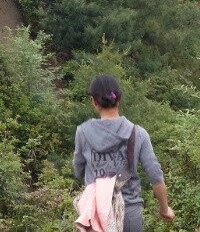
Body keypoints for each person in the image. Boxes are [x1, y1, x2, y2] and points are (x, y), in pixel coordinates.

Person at [73, 74, 174, 231]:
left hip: (96, 216)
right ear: (118, 99)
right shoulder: (138, 133)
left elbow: (78, 171)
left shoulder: (82, 132)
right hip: (129, 213)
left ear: (94, 101)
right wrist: (164, 209)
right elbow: (155, 175)